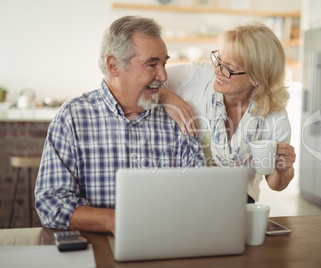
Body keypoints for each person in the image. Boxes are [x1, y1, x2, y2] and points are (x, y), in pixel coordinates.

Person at [34, 16, 205, 234]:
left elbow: (199, 195)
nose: (163, 75)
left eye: (164, 63)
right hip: (95, 248)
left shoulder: (174, 118)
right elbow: (51, 204)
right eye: (152, 64)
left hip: (167, 242)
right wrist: (114, 221)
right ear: (114, 65)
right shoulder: (73, 117)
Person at [160, 22, 296, 203]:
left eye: (229, 68)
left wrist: (283, 169)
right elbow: (144, 82)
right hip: (184, 195)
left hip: (238, 201)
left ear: (257, 77)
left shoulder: (274, 117)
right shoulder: (196, 77)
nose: (217, 71)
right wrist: (165, 96)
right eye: (219, 60)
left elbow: (276, 185)